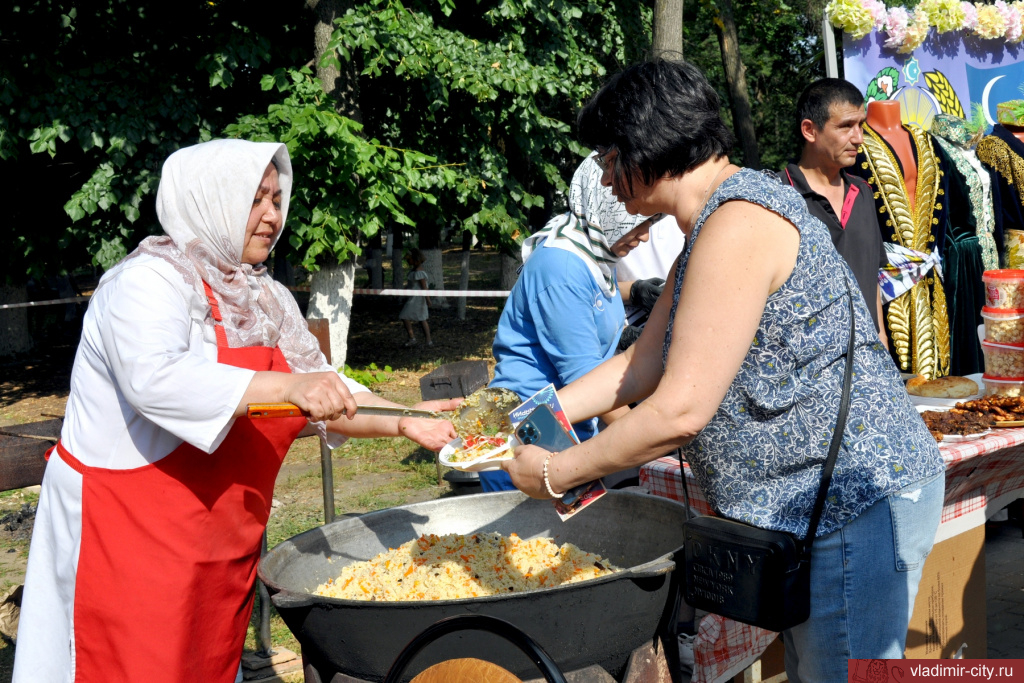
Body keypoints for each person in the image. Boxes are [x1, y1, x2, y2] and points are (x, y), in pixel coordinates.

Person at [502, 59, 944, 682]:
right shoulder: (713, 221)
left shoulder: (740, 221)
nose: (602, 178)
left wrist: (556, 470)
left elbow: (681, 409)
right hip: (818, 504)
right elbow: (639, 366)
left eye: (607, 156)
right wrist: (523, 420)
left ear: (649, 142)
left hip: (855, 501)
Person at [13, 139, 459, 683]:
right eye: (256, 200)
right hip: (128, 539)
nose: (273, 215)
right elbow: (157, 379)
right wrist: (289, 386)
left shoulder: (264, 296)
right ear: (211, 200)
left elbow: (325, 392)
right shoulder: (148, 281)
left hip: (218, 543)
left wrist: (403, 417)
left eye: (277, 199)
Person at [479, 153, 656, 491]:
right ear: (603, 206)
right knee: (529, 544)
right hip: (528, 443)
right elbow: (587, 378)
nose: (644, 235)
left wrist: (635, 293)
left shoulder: (596, 254)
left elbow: (590, 304)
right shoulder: (561, 265)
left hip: (564, 433)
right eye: (636, 222)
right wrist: (646, 440)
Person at [785, 78, 888, 347]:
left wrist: (881, 340)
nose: (859, 138)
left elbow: (871, 277)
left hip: (867, 356)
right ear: (809, 130)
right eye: (845, 127)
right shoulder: (780, 196)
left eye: (861, 125)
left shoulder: (864, 192)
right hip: (809, 363)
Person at [399, 248, 432, 347]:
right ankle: (425, 340)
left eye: (409, 259)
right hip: (412, 297)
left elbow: (424, 287)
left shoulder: (419, 272)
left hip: (418, 299)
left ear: (415, 259)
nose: (408, 261)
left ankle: (421, 339)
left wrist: (428, 300)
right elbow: (412, 285)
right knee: (421, 319)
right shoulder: (414, 271)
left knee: (407, 316)